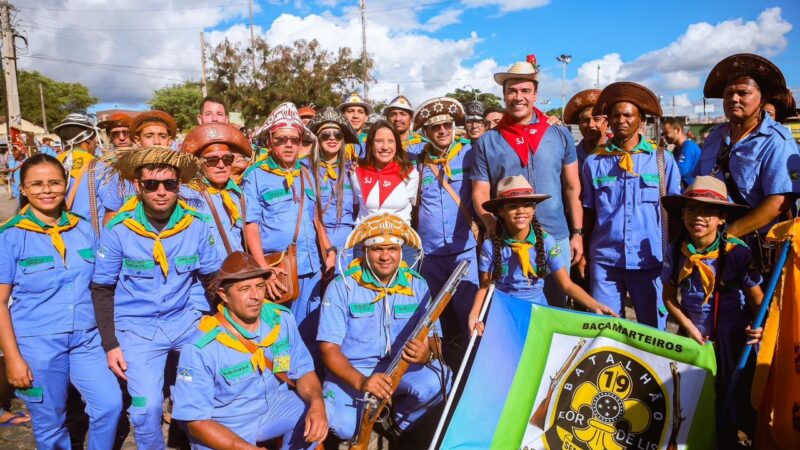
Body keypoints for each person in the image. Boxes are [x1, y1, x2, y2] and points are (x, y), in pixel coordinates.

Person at [91, 146, 222, 449]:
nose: (161, 192)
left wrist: (220, 325)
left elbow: (212, 279)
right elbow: (102, 288)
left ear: (179, 185)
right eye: (151, 185)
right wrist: (110, 344)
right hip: (137, 330)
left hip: (186, 321)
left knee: (207, 393)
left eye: (170, 184)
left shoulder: (197, 225)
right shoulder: (119, 230)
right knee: (145, 407)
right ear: (138, 186)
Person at [0, 154, 122, 448]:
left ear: (65, 185)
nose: (46, 190)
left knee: (109, 405)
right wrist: (13, 360)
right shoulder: (10, 236)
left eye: (54, 182)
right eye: (37, 184)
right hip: (37, 343)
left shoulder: (83, 229)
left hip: (87, 339)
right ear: (24, 189)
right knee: (50, 423)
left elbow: (102, 284)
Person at [172, 251, 327, 449]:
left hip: (272, 408)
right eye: (244, 289)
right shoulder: (201, 347)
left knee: (314, 410)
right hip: (225, 425)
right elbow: (195, 422)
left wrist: (317, 403)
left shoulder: (281, 319)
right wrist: (244, 448)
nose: (255, 296)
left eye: (260, 286)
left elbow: (303, 370)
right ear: (223, 295)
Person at [318, 212, 450, 444]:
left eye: (392, 249)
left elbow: (435, 340)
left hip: (402, 367)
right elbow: (329, 349)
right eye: (378, 249)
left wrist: (426, 353)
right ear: (365, 252)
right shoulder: (342, 287)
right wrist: (361, 382)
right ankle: (367, 421)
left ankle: (398, 421)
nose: (385, 256)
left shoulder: (417, 284)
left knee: (441, 380)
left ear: (401, 252)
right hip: (356, 370)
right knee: (344, 426)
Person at [471, 57, 584, 309]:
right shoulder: (488, 141)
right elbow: (480, 191)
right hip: (508, 240)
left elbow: (572, 187)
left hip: (556, 234)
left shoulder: (558, 133)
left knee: (557, 308)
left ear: (535, 95)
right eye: (512, 91)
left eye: (525, 90)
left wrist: (577, 232)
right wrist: (489, 222)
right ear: (503, 95)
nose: (518, 96)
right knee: (510, 310)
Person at [660, 176, 763, 447]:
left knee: (736, 395)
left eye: (708, 211)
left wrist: (760, 326)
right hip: (694, 337)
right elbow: (669, 297)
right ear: (682, 214)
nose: (698, 217)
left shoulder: (737, 253)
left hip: (732, 337)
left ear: (722, 218)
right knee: (697, 396)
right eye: (692, 209)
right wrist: (689, 327)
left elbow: (757, 299)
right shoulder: (676, 251)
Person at [581, 81, 681, 328]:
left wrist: (675, 258)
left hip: (650, 261)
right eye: (615, 115)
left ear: (641, 120)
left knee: (652, 332)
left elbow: (676, 211)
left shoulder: (661, 160)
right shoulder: (594, 162)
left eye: (628, 115)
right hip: (605, 262)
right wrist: (583, 252)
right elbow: (588, 212)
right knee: (605, 331)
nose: (621, 120)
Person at [242, 103, 334, 354]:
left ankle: (309, 379)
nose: (289, 145)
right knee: (279, 332)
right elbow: (251, 227)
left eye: (295, 139)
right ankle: (283, 383)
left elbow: (316, 219)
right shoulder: (255, 175)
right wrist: (263, 271)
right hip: (278, 270)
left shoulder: (306, 172)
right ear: (270, 141)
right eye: (281, 139)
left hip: (312, 266)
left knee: (311, 328)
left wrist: (329, 250)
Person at [469, 176, 616, 331]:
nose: (521, 211)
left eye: (527, 205)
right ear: (501, 211)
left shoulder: (546, 242)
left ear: (534, 209)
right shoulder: (491, 245)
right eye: (513, 206)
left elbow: (567, 285)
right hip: (504, 313)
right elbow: (485, 287)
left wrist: (595, 305)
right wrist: (474, 315)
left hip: (537, 313)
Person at [697, 53, 800, 248]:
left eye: (743, 93)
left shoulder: (777, 141)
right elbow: (699, 185)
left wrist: (726, 236)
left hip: (754, 250)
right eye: (729, 94)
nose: (734, 99)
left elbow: (781, 200)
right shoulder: (713, 138)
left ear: (763, 99)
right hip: (709, 246)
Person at [411, 97, 479, 363]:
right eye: (435, 128)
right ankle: (441, 366)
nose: (442, 131)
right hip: (430, 255)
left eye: (447, 126)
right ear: (426, 132)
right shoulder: (416, 160)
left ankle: (473, 365)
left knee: (469, 315)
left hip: (465, 251)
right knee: (434, 318)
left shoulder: (470, 153)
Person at [307, 107, 360, 252]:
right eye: (325, 135)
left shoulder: (353, 170)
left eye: (337, 134)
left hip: (346, 246)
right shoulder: (305, 169)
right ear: (317, 139)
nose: (332, 138)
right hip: (315, 243)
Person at [351, 120, 419, 225]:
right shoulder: (357, 172)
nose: (385, 147)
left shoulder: (410, 173)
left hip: (400, 238)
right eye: (379, 141)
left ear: (397, 144)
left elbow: (415, 209)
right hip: (365, 238)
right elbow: (354, 206)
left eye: (391, 141)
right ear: (370, 144)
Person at [563, 89, 606, 166]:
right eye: (585, 120)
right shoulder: (570, 156)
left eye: (597, 119)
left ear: (608, 122)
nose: (590, 125)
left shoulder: (620, 155)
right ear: (578, 124)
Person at [385, 95, 427, 163]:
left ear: (411, 119)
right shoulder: (380, 145)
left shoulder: (424, 146)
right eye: (393, 114)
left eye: (403, 114)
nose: (397, 119)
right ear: (387, 119)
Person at [662, 117, 701, 187]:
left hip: (691, 192)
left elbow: (680, 171)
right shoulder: (678, 148)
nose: (665, 136)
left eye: (667, 133)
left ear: (677, 130)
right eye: (663, 134)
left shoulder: (688, 147)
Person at [338, 93, 374, 161]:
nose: (355, 116)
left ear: (366, 117)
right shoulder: (333, 140)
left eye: (360, 112)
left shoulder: (372, 141)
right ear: (342, 116)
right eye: (350, 111)